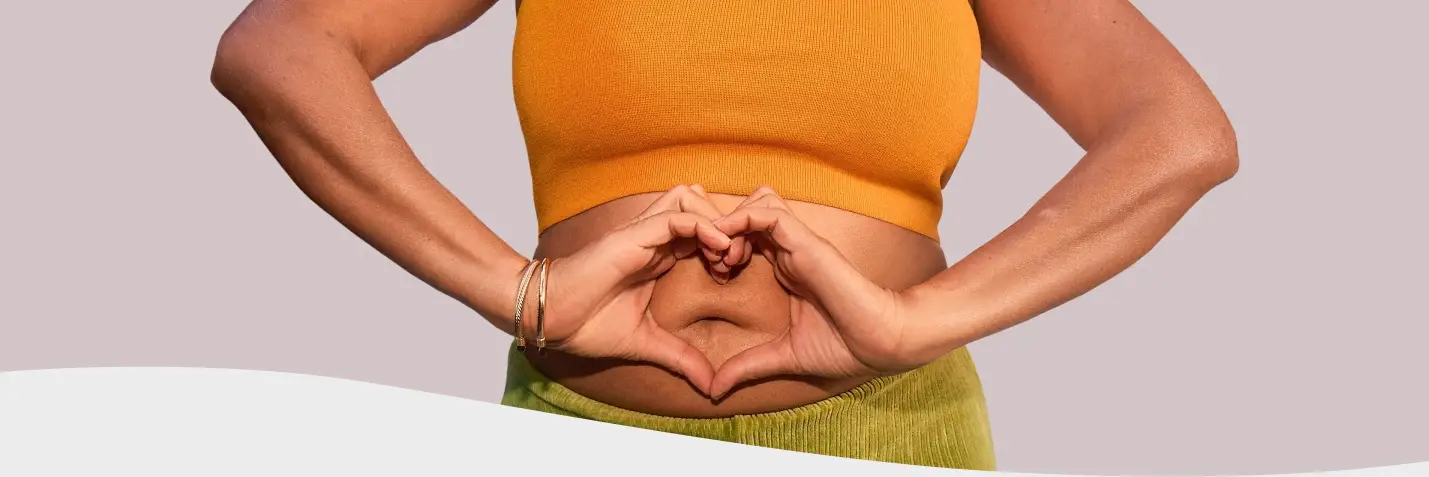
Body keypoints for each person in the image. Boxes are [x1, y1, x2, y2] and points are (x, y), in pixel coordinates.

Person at [209, 0, 1238, 470]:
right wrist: (512, 289)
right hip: (580, 435)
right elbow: (281, 47)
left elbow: (1178, 132)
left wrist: (922, 319)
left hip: (892, 437)